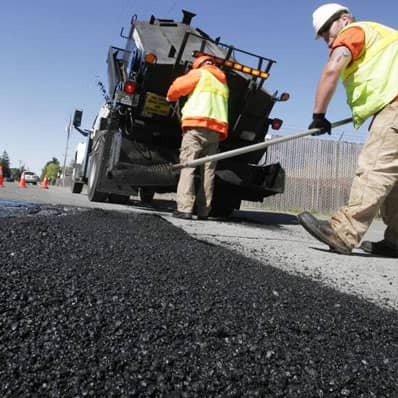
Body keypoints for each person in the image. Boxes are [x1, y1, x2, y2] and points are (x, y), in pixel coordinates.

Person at [297, 3, 398, 258]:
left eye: (325, 31)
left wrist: (318, 116)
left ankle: (343, 232)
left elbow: (332, 69)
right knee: (395, 183)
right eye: (321, 35)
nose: (326, 39)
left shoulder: (353, 31)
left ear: (343, 19)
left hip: (395, 108)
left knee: (375, 170)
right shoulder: (384, 35)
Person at [167, 55, 229, 220]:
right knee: (208, 171)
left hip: (196, 127)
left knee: (188, 166)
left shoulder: (200, 73)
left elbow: (177, 88)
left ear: (199, 64)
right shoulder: (222, 82)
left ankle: (185, 208)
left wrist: (170, 97)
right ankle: (203, 211)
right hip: (215, 131)